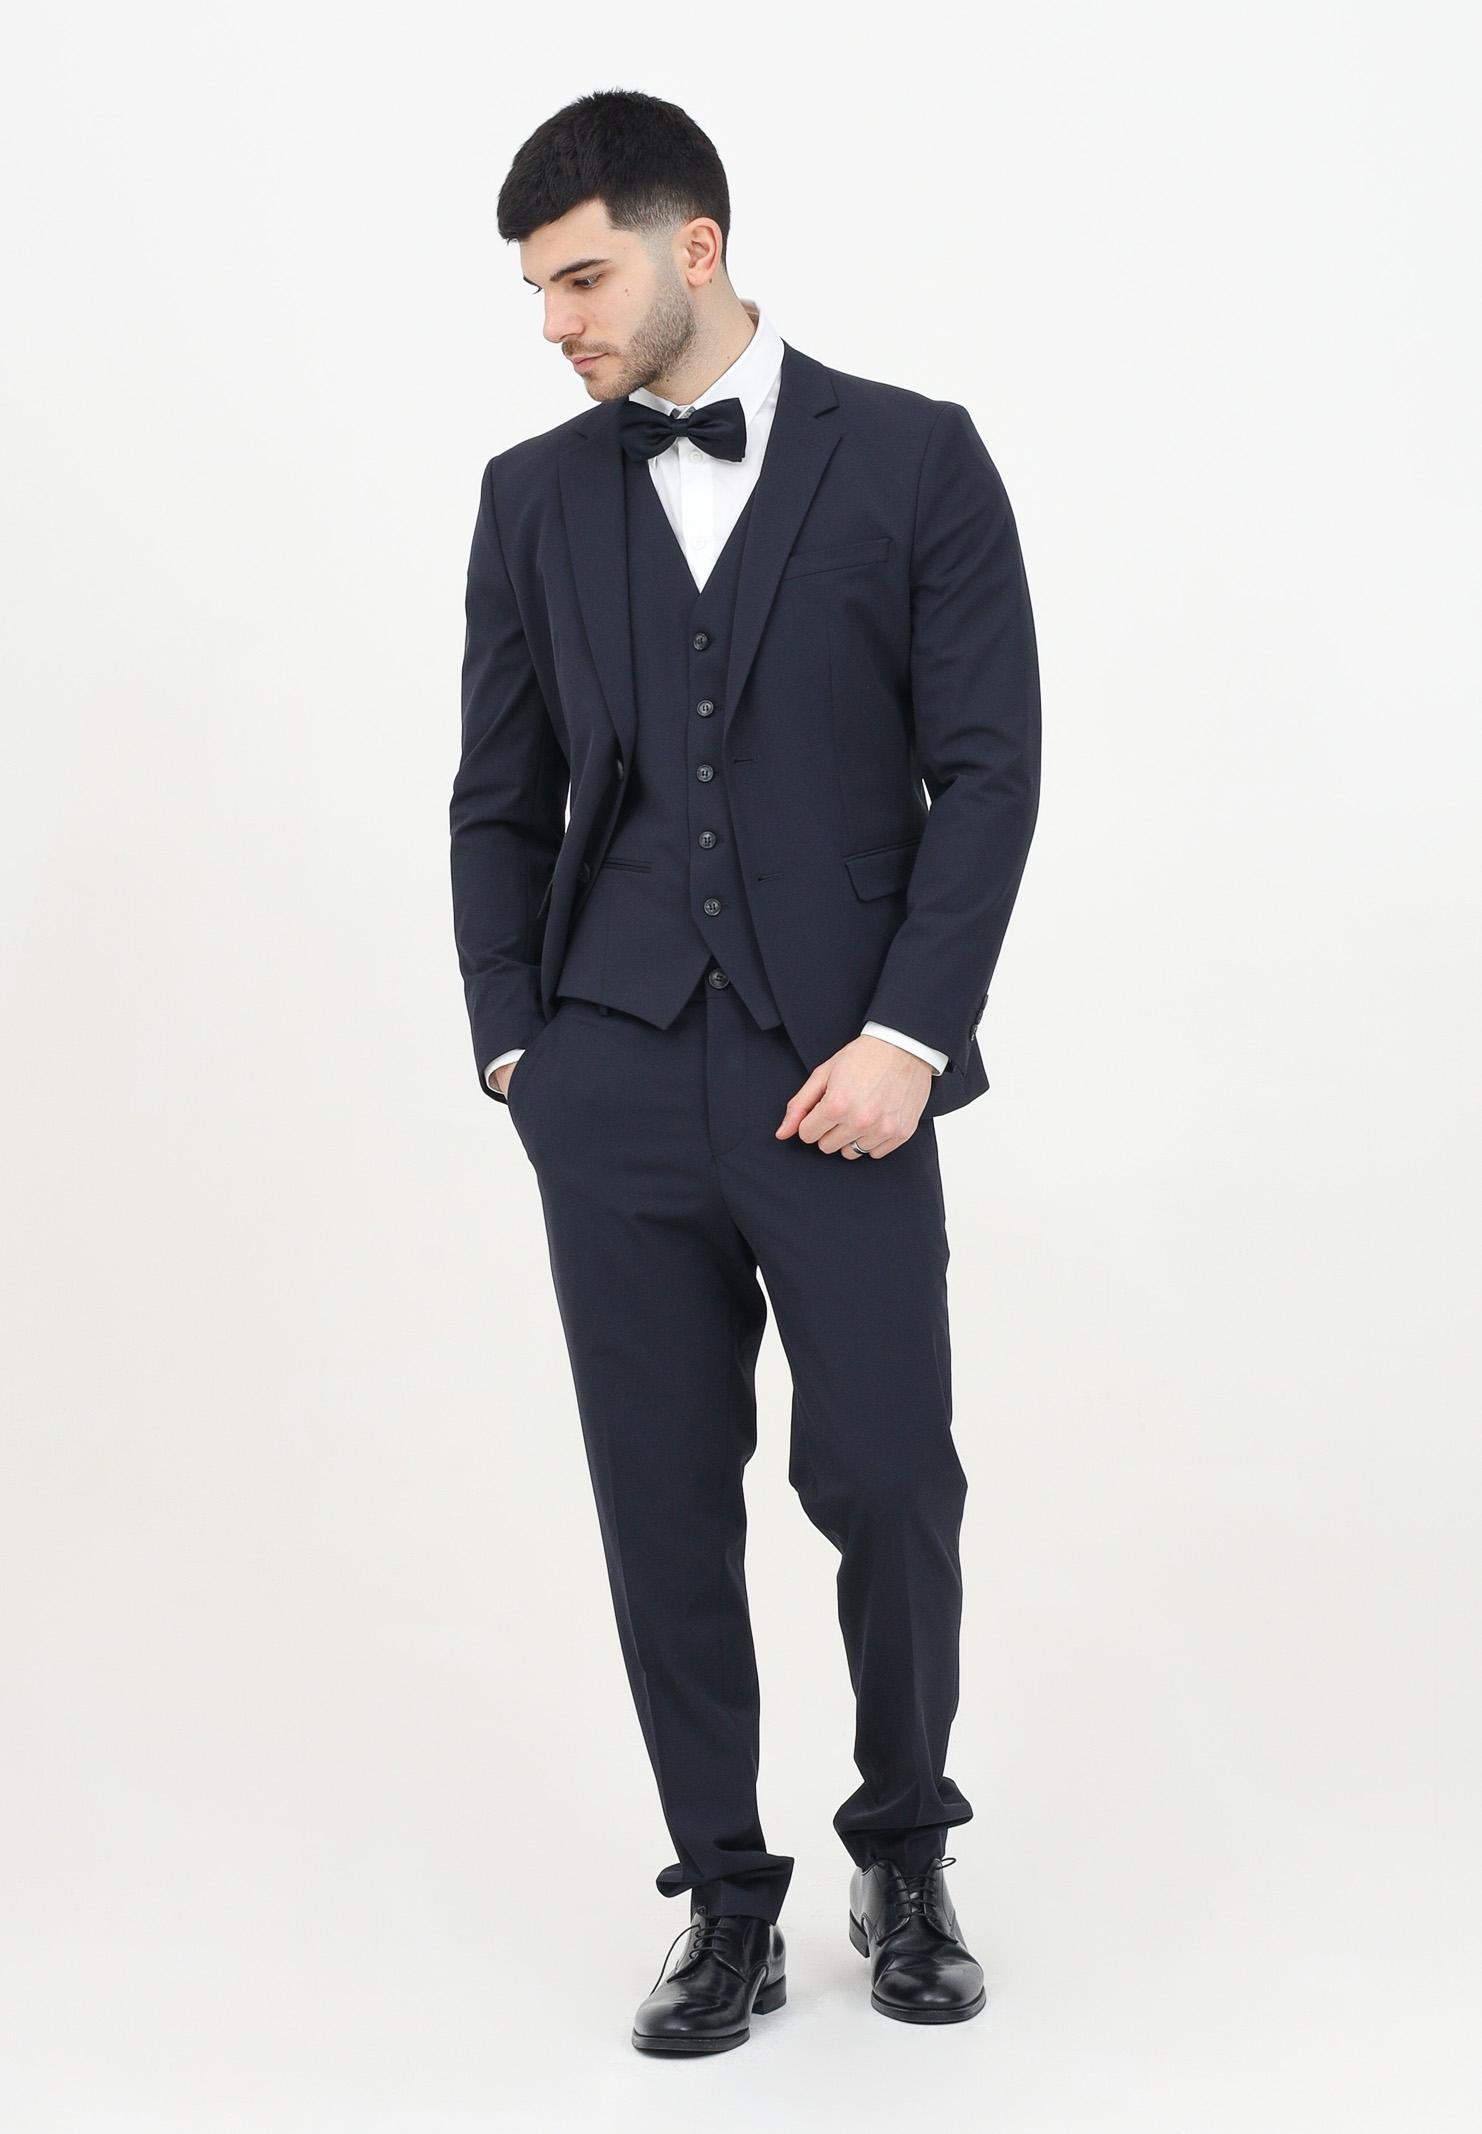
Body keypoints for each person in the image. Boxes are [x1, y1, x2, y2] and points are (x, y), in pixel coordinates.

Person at [449, 88, 1041, 2054]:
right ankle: (723, 1893)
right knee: (657, 1502)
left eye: (580, 280)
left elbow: (989, 770)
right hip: (611, 1081)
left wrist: (906, 1035)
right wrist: (518, 1045)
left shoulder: (918, 457)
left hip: (842, 1076)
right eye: (539, 294)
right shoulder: (531, 498)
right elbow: (497, 797)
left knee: (890, 1476)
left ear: (692, 246)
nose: (557, 324)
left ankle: (905, 1849)